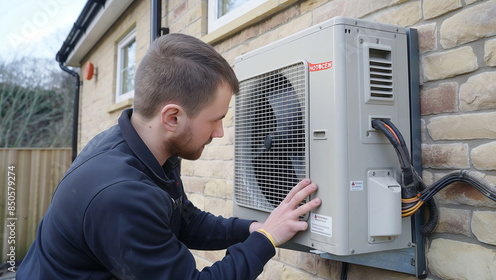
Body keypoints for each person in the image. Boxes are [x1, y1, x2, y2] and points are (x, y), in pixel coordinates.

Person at [17, 33, 321, 279]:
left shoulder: (149, 147)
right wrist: (266, 241)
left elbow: (183, 221)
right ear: (172, 118)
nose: (220, 133)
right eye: (215, 119)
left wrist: (251, 229)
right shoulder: (122, 194)